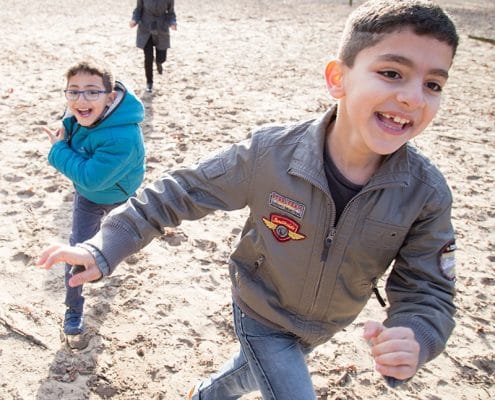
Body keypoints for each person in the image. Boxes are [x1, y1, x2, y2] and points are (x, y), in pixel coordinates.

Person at [38, 0, 459, 398]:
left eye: (434, 83)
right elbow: (178, 192)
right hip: (262, 310)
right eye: (391, 73)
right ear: (338, 78)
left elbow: (429, 287)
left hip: (327, 322)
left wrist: (416, 333)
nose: (413, 97)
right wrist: (104, 246)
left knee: (246, 373)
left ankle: (204, 394)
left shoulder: (425, 193)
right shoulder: (270, 155)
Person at [42, 60, 146, 337]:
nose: (81, 99)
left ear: (111, 97)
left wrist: (58, 150)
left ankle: (109, 261)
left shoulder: (123, 136)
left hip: (120, 196)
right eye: (73, 91)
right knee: (77, 251)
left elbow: (90, 176)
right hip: (88, 199)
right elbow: (72, 122)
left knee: (118, 244)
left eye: (91, 91)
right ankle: (73, 310)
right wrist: (64, 131)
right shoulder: (82, 115)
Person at [129, 0, 177, 93]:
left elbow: (171, 13)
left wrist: (172, 22)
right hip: (145, 29)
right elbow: (138, 9)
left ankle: (159, 62)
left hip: (161, 28)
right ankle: (149, 82)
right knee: (148, 57)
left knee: (162, 58)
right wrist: (134, 20)